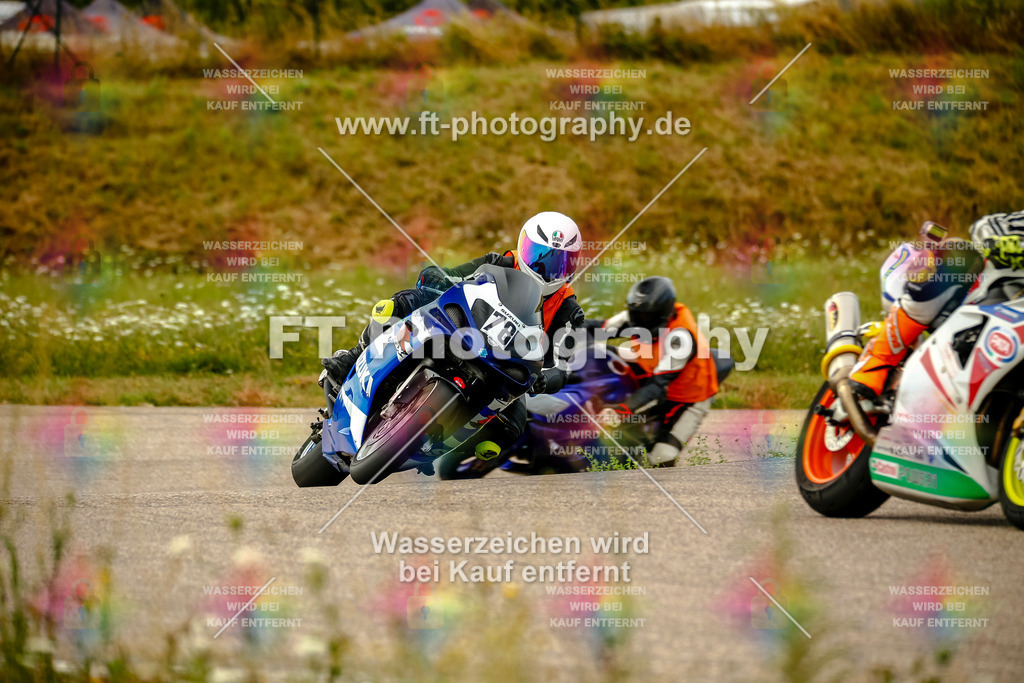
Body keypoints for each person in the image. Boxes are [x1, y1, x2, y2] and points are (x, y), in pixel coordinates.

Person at [322, 211, 586, 463]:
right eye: (539, 255)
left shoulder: (569, 310)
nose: (545, 268)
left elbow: (561, 365)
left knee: (510, 429)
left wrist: (545, 379)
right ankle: (351, 358)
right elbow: (457, 277)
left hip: (506, 368)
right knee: (401, 304)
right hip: (465, 332)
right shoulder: (499, 262)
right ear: (524, 246)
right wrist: (437, 277)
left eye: (558, 262)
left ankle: (439, 449)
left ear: (572, 265)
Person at [848, 212, 1024, 400]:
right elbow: (986, 225)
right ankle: (877, 361)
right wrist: (1009, 245)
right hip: (982, 300)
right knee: (958, 252)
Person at [586, 276, 720, 467]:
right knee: (596, 352)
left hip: (687, 398)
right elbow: (596, 330)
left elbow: (657, 386)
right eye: (636, 314)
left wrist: (622, 411)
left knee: (660, 459)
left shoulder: (681, 337)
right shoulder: (635, 316)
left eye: (647, 317)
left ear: (663, 313)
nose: (640, 322)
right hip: (651, 368)